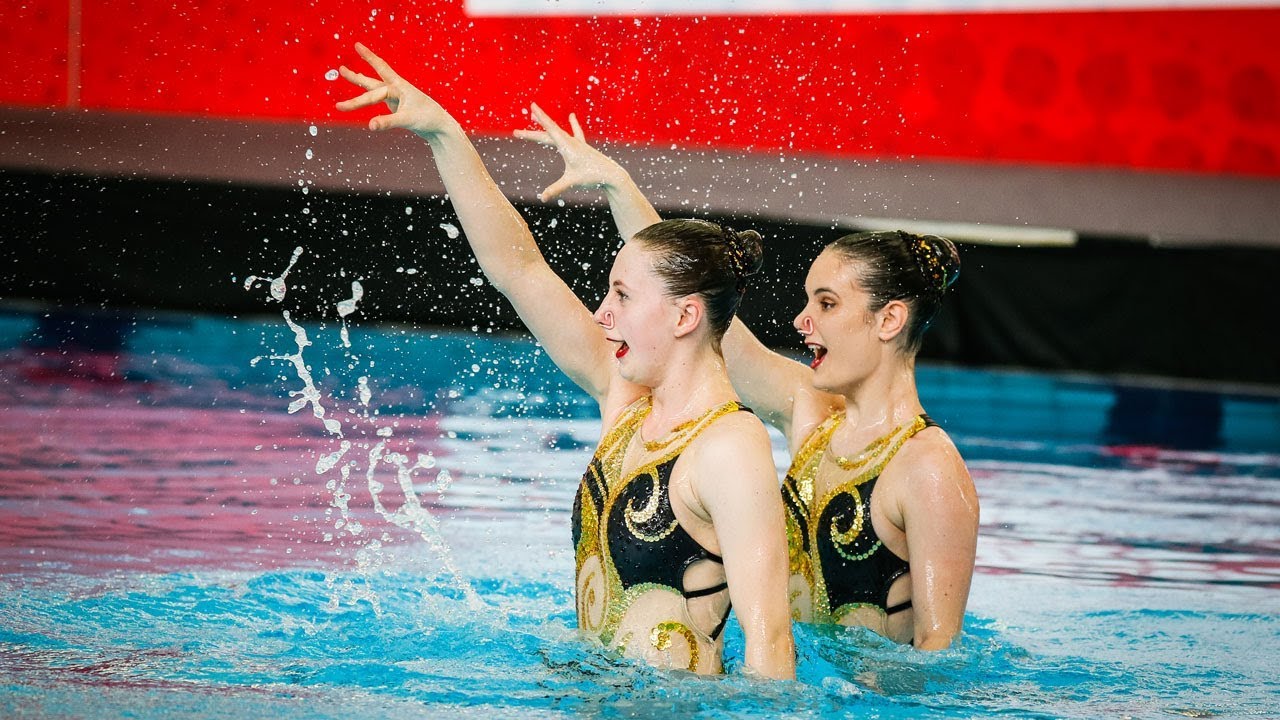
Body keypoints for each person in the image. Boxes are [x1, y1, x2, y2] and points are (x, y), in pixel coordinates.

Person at [335, 44, 795, 678]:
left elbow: (771, 648)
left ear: (686, 316)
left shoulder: (729, 448)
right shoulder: (626, 404)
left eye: (623, 297)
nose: (602, 315)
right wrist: (445, 135)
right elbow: (519, 269)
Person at [516, 106, 979, 650]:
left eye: (826, 304)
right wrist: (619, 187)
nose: (802, 322)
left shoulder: (929, 467)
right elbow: (705, 319)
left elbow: (937, 657)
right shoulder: (812, 416)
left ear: (889, 320)